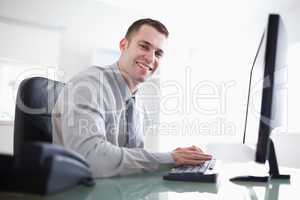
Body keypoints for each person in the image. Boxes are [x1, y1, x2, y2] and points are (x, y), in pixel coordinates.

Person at [52, 18, 212, 178]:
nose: (151, 58)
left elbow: (132, 159)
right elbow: (90, 159)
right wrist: (170, 158)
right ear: (123, 45)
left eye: (158, 53)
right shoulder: (89, 85)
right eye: (144, 46)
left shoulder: (138, 104)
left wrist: (178, 158)